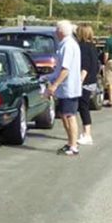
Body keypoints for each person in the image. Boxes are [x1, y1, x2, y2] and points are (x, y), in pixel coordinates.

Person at [45, 20, 83, 156]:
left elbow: (65, 69)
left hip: (69, 88)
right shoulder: (65, 44)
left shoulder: (68, 45)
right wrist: (49, 77)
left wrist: (54, 85)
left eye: (56, 30)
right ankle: (70, 142)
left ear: (61, 32)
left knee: (69, 116)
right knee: (64, 115)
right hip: (65, 88)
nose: (55, 32)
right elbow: (59, 68)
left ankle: (73, 146)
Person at [76, 23, 99, 146]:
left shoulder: (82, 47)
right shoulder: (92, 46)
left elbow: (84, 66)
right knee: (84, 106)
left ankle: (87, 134)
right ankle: (86, 133)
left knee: (83, 107)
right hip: (92, 80)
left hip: (84, 81)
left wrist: (79, 81)